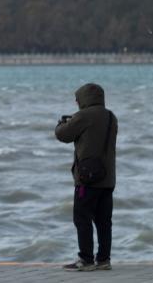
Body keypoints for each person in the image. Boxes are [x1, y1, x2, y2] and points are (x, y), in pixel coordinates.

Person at [55, 83, 118, 272]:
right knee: (104, 221)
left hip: (87, 179)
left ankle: (86, 259)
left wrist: (62, 123)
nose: (76, 102)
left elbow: (63, 135)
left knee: (82, 218)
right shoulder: (110, 116)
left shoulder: (83, 116)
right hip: (107, 179)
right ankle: (104, 259)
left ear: (84, 98)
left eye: (77, 99)